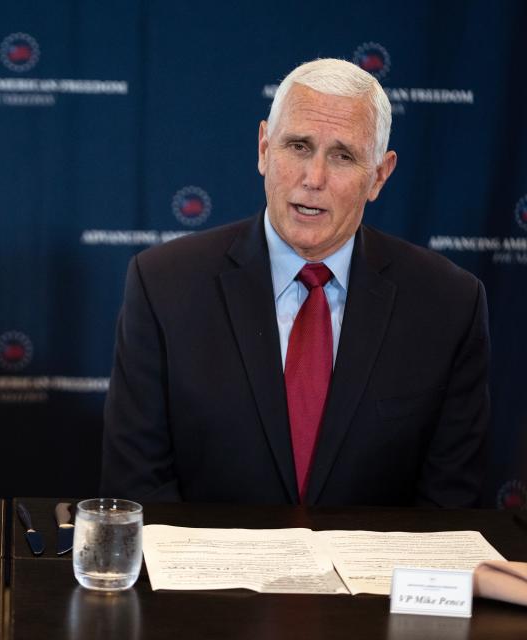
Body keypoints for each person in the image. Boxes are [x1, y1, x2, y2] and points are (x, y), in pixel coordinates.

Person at [101, 59, 489, 507]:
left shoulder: (449, 304)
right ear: (265, 148)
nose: (313, 179)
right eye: (299, 146)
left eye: (343, 156)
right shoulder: (163, 285)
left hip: (373, 579)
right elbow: (136, 488)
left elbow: (450, 506)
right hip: (207, 576)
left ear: (379, 175)